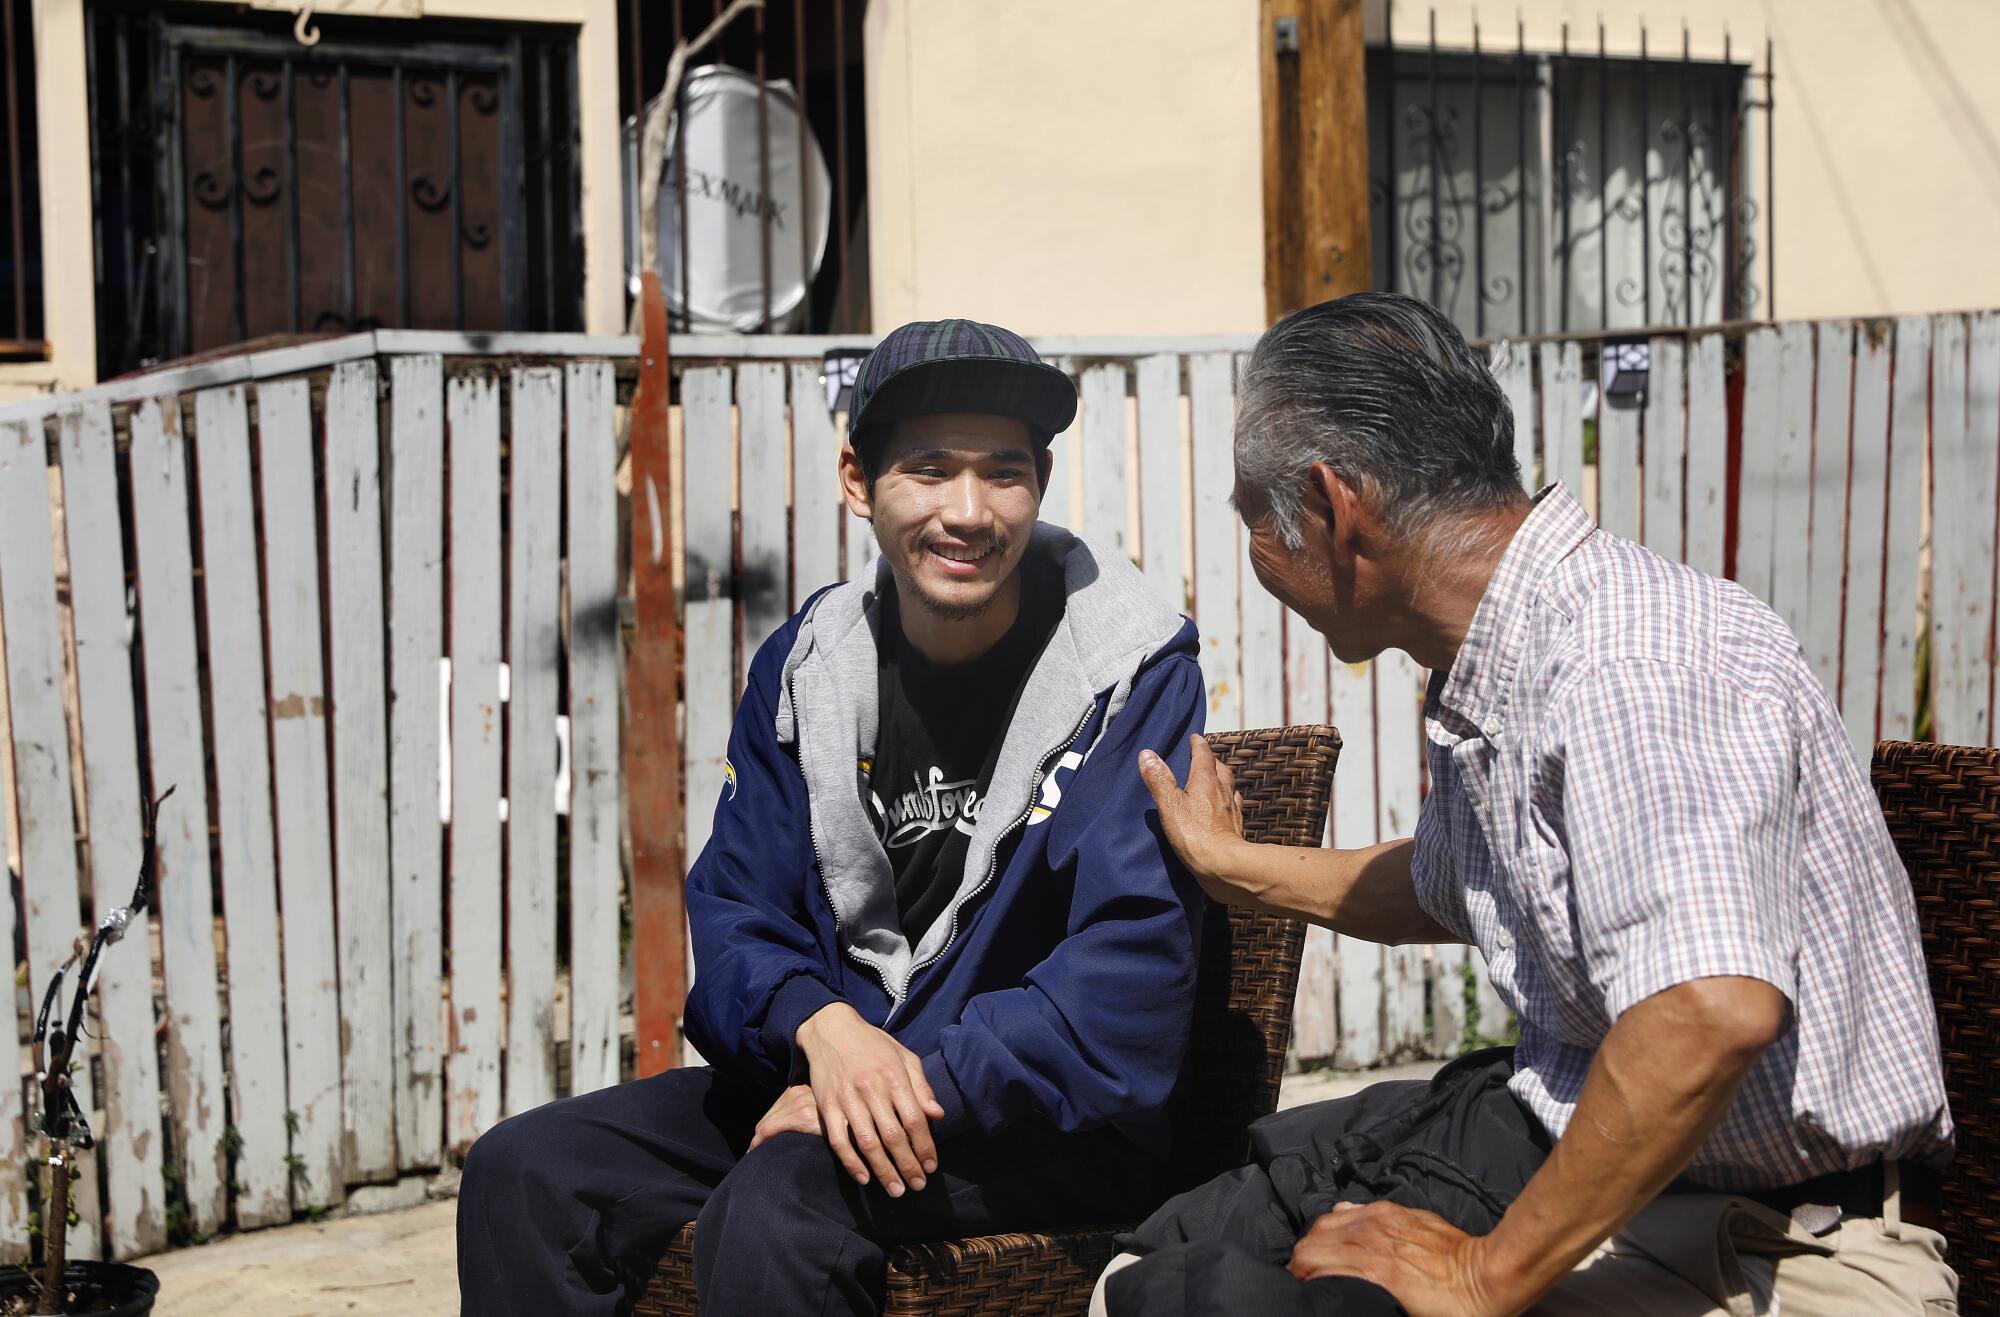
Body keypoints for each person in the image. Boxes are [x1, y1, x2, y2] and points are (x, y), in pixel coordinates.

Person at [1105, 292, 1956, 1316]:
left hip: (1777, 1251)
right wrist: (1233, 867)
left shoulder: (1627, 664)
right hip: (1611, 1187)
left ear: (1334, 509)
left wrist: (1479, 1273)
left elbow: (1706, 1008)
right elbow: (1445, 887)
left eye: (1251, 514)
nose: (1251, 547)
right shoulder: (1504, 654)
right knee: (1163, 1264)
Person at [457, 318, 1209, 1316]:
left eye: (1004, 472)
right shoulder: (805, 668)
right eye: (929, 470)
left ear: (1040, 482)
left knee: (780, 1202)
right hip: (833, 1077)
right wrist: (820, 1028)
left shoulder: (1132, 673)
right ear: (858, 481)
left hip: (1039, 1121)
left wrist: (886, 1082)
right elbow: (734, 915)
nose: (969, 512)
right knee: (526, 1170)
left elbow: (1122, 982)